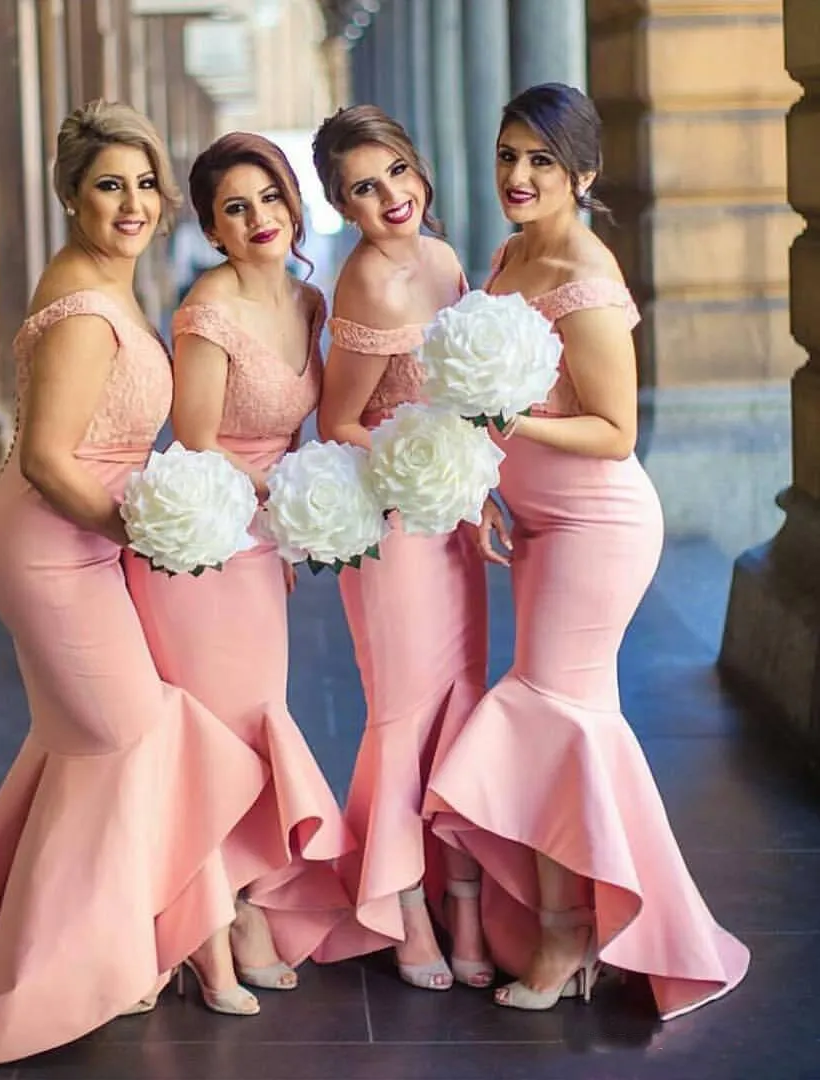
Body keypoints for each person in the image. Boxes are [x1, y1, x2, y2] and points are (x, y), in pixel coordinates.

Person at [0, 101, 270, 1066]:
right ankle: (90, 960)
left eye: (143, 184)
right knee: (133, 731)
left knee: (91, 746)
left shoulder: (109, 283)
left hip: (81, 538)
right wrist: (144, 534)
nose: (131, 203)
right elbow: (51, 460)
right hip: (51, 544)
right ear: (70, 197)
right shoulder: (88, 311)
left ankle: (118, 947)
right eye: (108, 186)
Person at [426, 82, 750, 1017]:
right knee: (561, 713)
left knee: (548, 706)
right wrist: (484, 474)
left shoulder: (587, 275)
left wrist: (509, 419)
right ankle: (591, 923)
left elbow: (613, 430)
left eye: (541, 161)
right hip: (534, 519)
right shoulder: (510, 252)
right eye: (508, 155)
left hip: (598, 524)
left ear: (584, 174)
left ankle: (571, 931)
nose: (519, 176)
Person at [125, 133, 353, 991]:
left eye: (270, 198)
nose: (259, 218)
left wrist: (300, 521)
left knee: (259, 718)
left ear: (294, 203)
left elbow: (306, 425)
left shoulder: (308, 301)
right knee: (214, 738)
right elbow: (195, 441)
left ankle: (245, 900)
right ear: (214, 230)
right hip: (204, 540)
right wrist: (280, 496)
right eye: (235, 207)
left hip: (260, 547)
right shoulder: (206, 309)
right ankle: (212, 919)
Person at [309, 106, 492, 992]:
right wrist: (413, 469)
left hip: (455, 515)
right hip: (392, 520)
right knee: (403, 709)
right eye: (363, 189)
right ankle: (404, 900)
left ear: (418, 171)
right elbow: (337, 418)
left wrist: (474, 484)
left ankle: (464, 896)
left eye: (395, 175)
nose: (389, 198)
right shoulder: (368, 285)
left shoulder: (448, 261)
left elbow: (462, 399)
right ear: (344, 207)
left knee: (461, 697)